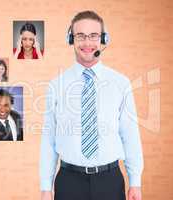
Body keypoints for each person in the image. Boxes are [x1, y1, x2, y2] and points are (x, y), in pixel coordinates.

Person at [40, 11, 143, 200]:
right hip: (68, 182)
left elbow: (130, 134)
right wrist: (46, 187)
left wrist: (135, 181)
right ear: (71, 39)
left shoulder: (121, 83)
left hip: (110, 181)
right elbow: (48, 140)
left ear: (103, 39)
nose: (87, 43)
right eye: (80, 36)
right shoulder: (56, 86)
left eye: (94, 36)